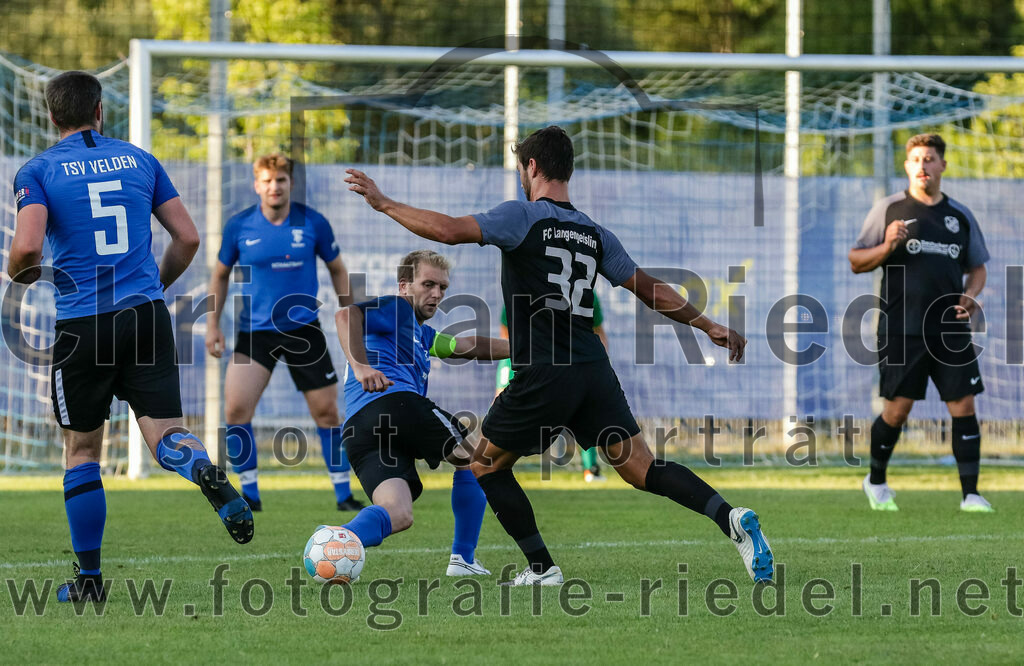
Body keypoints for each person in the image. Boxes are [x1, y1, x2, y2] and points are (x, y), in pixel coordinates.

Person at [345, 126, 774, 586]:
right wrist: (707, 324)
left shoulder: (523, 217)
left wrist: (385, 203)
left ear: (532, 167)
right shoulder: (593, 232)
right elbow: (649, 288)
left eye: (520, 170)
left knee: (483, 464)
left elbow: (448, 231)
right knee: (642, 467)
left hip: (544, 373)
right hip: (593, 368)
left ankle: (542, 568)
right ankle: (729, 518)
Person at [8, 71, 253, 603]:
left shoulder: (39, 170)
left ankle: (90, 582)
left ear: (52, 117)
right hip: (146, 316)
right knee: (165, 436)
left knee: (82, 452)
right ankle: (203, 469)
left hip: (82, 325)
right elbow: (187, 237)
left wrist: (18, 274)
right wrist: (154, 286)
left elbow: (28, 250)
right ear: (101, 110)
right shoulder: (140, 159)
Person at [335, 250, 509, 576]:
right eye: (428, 284)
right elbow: (346, 316)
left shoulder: (420, 333)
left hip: (360, 428)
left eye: (443, 287)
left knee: (398, 513)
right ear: (404, 286)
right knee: (478, 460)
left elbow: (468, 346)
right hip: (396, 404)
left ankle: (336, 541)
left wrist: (525, 350)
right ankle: (464, 559)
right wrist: (360, 366)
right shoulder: (397, 308)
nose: (437, 294)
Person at [206, 153, 363, 512]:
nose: (274, 187)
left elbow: (338, 269)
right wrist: (213, 325)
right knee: (235, 410)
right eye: (266, 181)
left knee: (327, 413)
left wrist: (349, 312)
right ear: (255, 184)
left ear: (290, 183)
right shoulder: (239, 226)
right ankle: (250, 496)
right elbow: (219, 275)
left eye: (281, 180)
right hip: (254, 333)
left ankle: (343, 494)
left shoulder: (313, 223)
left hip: (303, 331)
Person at [849, 133, 992, 513]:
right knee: (898, 408)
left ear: (942, 165)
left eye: (929, 159)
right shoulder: (890, 209)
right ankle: (876, 482)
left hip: (950, 328)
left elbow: (977, 268)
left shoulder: (959, 216)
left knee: (963, 405)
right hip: (901, 328)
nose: (923, 166)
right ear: (907, 165)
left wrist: (971, 296)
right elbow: (855, 260)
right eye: (915, 159)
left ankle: (971, 495)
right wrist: (888, 245)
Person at [496, 300, 609, 482]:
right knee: (499, 404)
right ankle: (492, 463)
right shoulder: (521, 285)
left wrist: (600, 364)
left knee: (583, 410)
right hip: (523, 357)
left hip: (567, 361)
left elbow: (598, 331)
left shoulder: (587, 292)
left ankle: (591, 469)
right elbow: (506, 333)